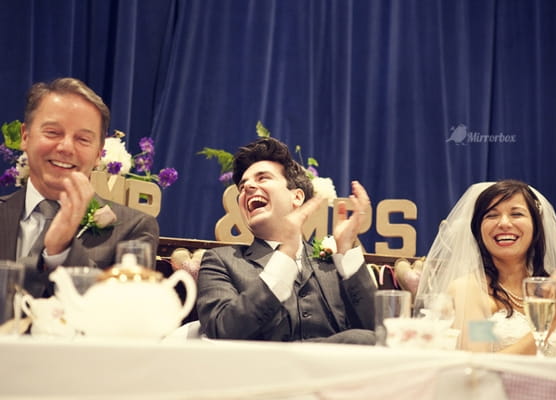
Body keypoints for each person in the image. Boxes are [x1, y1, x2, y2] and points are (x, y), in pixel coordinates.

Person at [196, 137, 376, 344]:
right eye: (243, 185)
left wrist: (345, 249)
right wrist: (285, 254)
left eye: (262, 178)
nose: (248, 187)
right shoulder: (220, 261)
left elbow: (381, 331)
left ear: (297, 197)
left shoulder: (331, 263)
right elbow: (221, 331)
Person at [0, 77, 159, 297]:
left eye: (83, 139)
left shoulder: (134, 229)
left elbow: (123, 317)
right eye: (52, 133)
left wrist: (61, 251)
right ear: (25, 136)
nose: (66, 147)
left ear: (98, 153)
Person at [416, 180, 556, 355]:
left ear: (536, 226)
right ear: (479, 231)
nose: (504, 223)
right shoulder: (471, 291)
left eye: (516, 214)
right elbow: (480, 365)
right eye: (491, 216)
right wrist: (544, 328)